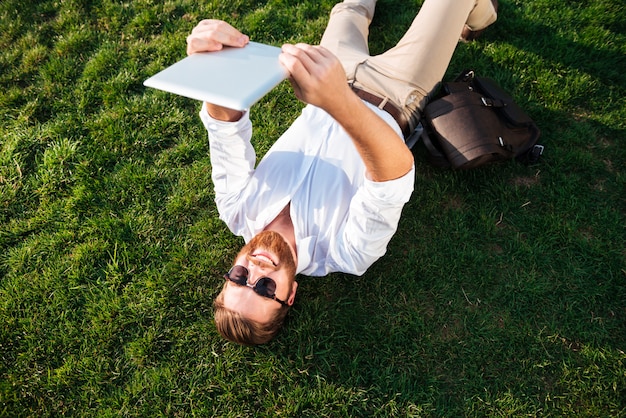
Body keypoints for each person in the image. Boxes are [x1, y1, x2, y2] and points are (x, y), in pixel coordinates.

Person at [186, 0, 498, 345]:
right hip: (396, 92)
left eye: (239, 277)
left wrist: (212, 70)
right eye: (264, 288)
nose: (255, 271)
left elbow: (224, 126)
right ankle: (482, 15)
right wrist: (335, 99)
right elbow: (393, 176)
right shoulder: (347, 253)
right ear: (290, 295)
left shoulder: (235, 209)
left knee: (349, 10)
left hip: (330, 73)